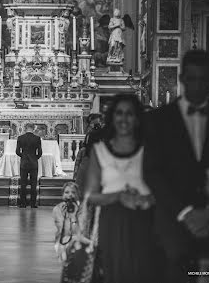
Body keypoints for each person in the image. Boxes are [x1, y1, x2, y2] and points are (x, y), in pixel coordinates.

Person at [143, 50, 209, 283]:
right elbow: (152, 172)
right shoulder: (159, 119)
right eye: (192, 79)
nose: (197, 86)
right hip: (172, 221)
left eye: (203, 80)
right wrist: (185, 213)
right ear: (182, 78)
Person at [83, 94, 162, 283]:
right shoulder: (100, 151)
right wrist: (119, 196)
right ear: (112, 117)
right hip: (113, 220)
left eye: (130, 114)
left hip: (145, 218)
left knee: (145, 271)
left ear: (137, 118)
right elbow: (89, 196)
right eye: (119, 113)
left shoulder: (151, 149)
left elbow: (164, 188)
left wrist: (148, 199)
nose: (124, 119)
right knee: (114, 272)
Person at [52, 182, 81, 262]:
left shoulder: (82, 208)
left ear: (78, 194)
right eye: (67, 192)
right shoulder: (57, 209)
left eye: (73, 192)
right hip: (64, 241)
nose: (70, 195)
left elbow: (82, 230)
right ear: (63, 194)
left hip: (80, 240)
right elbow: (65, 231)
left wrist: (75, 214)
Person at [16, 123, 42, 208]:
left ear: (25, 128)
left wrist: (23, 156)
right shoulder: (37, 138)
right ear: (33, 129)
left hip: (24, 163)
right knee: (33, 183)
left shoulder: (20, 138)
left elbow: (17, 151)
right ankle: (33, 203)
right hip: (33, 163)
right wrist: (34, 158)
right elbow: (40, 152)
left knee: (23, 183)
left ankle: (23, 203)